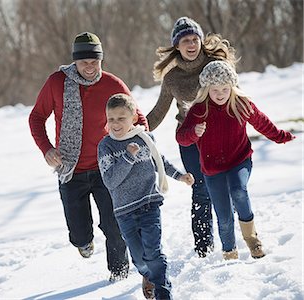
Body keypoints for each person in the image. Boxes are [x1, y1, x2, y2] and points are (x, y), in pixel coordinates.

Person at [28, 32, 149, 281]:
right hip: (71, 168)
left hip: (109, 168)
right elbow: (36, 118)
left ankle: (119, 275)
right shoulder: (57, 83)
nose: (91, 68)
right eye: (85, 63)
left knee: (114, 226)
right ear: (75, 62)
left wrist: (140, 141)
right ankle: (83, 242)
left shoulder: (113, 85)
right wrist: (47, 148)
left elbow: (138, 118)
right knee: (79, 234)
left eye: (95, 62)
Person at [176, 61, 295, 260]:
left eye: (225, 88)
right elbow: (181, 137)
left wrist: (280, 136)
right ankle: (229, 252)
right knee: (223, 217)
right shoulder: (199, 110)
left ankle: (253, 241)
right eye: (215, 89)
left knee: (239, 191)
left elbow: (262, 123)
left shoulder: (241, 104)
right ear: (207, 89)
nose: (221, 93)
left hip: (239, 160)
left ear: (232, 87)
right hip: (212, 169)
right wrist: (194, 133)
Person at [146, 16, 238, 257]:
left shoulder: (215, 64)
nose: (191, 44)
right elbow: (158, 112)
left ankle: (230, 239)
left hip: (219, 136)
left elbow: (234, 94)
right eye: (185, 40)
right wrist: (135, 129)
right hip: (190, 138)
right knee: (200, 190)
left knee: (224, 187)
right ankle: (203, 248)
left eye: (195, 39)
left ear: (200, 40)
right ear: (177, 45)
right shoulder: (172, 78)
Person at [98, 93, 194, 299]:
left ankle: (163, 291)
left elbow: (160, 161)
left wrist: (180, 175)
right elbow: (110, 181)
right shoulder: (106, 146)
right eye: (111, 118)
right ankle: (148, 275)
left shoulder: (145, 138)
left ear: (133, 118)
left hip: (149, 204)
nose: (115, 123)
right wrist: (127, 157)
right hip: (124, 211)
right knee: (140, 260)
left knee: (154, 253)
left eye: (121, 118)